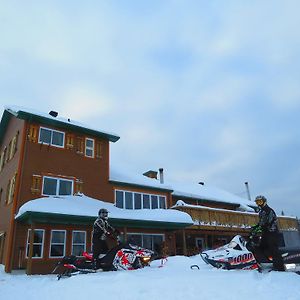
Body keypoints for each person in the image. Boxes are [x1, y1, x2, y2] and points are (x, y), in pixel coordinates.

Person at [252, 195, 285, 271]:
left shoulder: (268, 210)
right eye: (257, 202)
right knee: (261, 246)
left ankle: (279, 267)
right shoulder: (261, 211)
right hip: (265, 232)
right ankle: (265, 263)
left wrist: (261, 227)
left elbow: (268, 222)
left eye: (260, 201)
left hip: (272, 232)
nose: (259, 203)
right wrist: (255, 227)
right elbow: (261, 223)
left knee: (273, 249)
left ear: (264, 201)